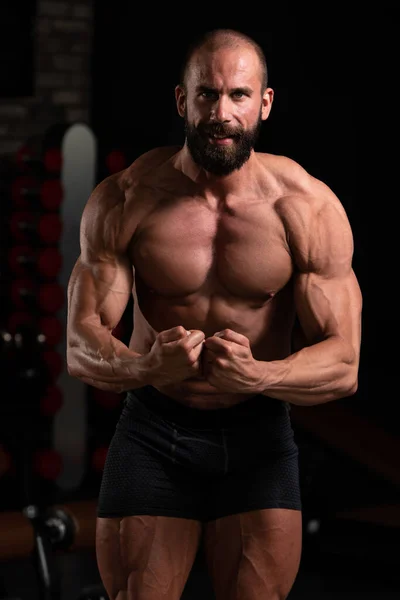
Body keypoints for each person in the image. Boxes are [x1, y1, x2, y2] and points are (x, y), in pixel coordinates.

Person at [66, 28, 362, 600]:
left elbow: (345, 362)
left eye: (239, 96)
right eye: (207, 95)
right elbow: (81, 345)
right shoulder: (125, 199)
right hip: (154, 430)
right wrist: (148, 368)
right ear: (183, 100)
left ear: (265, 103)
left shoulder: (305, 207)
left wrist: (261, 375)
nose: (221, 113)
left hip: (257, 435)